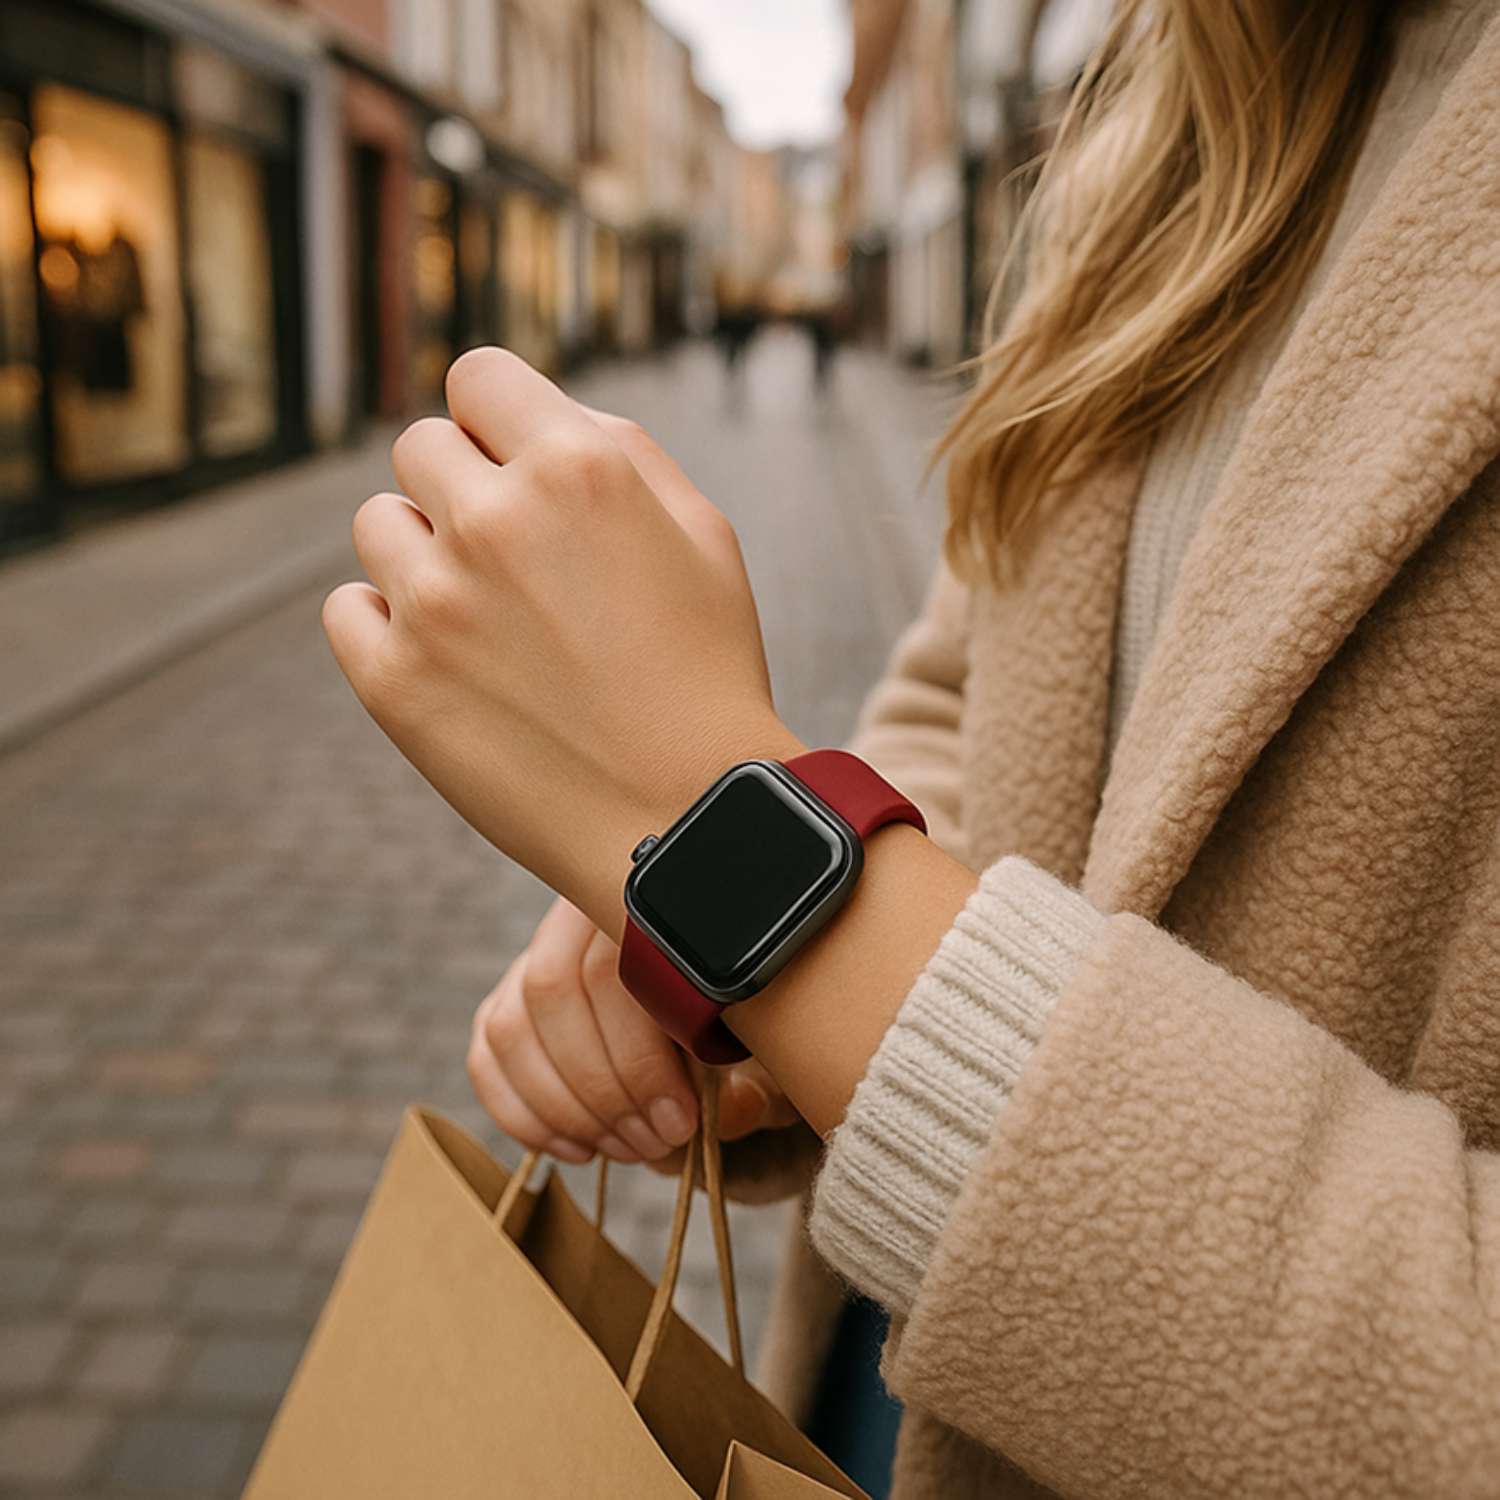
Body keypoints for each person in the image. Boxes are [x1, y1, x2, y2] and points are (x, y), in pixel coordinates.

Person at [322, 2, 1500, 1495]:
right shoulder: (1168, 130)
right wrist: (757, 1006)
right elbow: (981, 682)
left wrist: (739, 865)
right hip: (895, 1391)